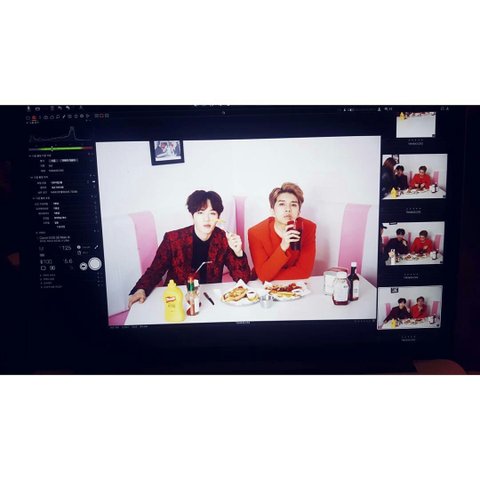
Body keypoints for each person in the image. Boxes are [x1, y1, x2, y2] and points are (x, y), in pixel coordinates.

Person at [128, 190, 250, 308]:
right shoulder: (173, 239)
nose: (206, 219)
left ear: (218, 216)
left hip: (209, 298)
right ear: (192, 216)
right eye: (200, 213)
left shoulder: (224, 239)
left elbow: (242, 279)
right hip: (177, 299)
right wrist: (141, 289)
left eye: (212, 213)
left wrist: (238, 252)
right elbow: (155, 270)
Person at [248, 182, 316, 282]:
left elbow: (304, 272)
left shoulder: (308, 228)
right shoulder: (256, 233)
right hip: (263, 286)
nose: (288, 209)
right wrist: (283, 246)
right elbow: (263, 276)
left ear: (298, 212)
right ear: (272, 211)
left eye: (293, 205)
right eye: (282, 204)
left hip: (296, 285)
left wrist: (268, 275)